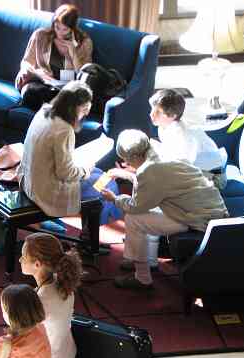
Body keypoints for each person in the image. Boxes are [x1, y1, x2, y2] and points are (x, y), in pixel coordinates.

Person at [101, 129, 228, 290]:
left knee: (134, 219)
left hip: (197, 218)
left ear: (134, 157)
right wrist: (127, 174)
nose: (126, 163)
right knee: (145, 213)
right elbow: (154, 184)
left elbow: (136, 205)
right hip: (202, 207)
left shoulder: (150, 170)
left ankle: (142, 279)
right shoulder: (155, 147)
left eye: (126, 159)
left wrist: (115, 199)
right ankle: (145, 260)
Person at [17, 80, 121, 226]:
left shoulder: (44, 111)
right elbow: (65, 173)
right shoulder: (64, 129)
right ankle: (91, 234)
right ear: (75, 107)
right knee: (107, 184)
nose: (84, 115)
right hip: (46, 190)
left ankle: (105, 219)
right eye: (84, 110)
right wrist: (85, 170)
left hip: (30, 180)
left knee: (99, 173)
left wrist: (85, 169)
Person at [19, 233, 82, 358]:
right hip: (67, 357)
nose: (20, 260)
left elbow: (23, 340)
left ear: (38, 264)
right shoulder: (62, 282)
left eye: (23, 256)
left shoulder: (40, 300)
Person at [15, 4, 93, 111]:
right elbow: (27, 61)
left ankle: (54, 106)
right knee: (30, 92)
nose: (59, 33)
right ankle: (56, 107)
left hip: (65, 86)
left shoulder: (84, 43)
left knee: (69, 95)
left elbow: (83, 75)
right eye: (57, 27)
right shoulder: (41, 36)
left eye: (65, 29)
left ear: (73, 28)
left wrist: (73, 53)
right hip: (40, 83)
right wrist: (26, 70)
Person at [149, 89, 228, 189]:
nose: (152, 114)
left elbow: (181, 167)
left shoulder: (183, 136)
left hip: (214, 177)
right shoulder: (164, 127)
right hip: (194, 168)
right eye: (152, 108)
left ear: (173, 116)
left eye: (159, 112)